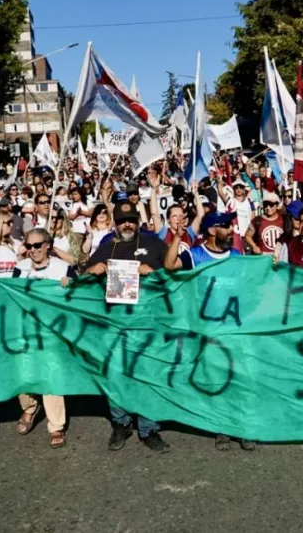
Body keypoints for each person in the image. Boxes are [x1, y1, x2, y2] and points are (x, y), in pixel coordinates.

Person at [164, 211, 255, 452]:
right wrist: (177, 237)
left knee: (240, 379)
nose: (232, 230)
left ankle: (242, 428)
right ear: (213, 230)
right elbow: (169, 265)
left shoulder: (236, 255)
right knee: (217, 379)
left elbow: (249, 283)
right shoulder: (195, 255)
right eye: (226, 226)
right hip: (208, 330)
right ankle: (222, 427)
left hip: (235, 329)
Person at [84, 202, 170, 453]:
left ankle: (148, 428)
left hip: (147, 323)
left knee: (147, 375)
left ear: (138, 221)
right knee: (116, 375)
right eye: (122, 221)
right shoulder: (106, 247)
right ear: (115, 223)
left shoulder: (154, 244)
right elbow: (83, 279)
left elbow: (174, 278)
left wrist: (153, 272)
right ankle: (121, 424)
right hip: (115, 322)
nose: (127, 225)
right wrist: (93, 269)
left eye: (131, 219)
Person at [13, 228, 73, 448]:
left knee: (50, 375)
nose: (33, 250)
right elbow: (8, 295)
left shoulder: (62, 268)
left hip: (52, 332)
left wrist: (70, 286)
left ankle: (56, 426)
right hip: (26, 331)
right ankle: (29, 408)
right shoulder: (19, 270)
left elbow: (78, 298)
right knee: (23, 374)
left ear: (48, 245)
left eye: (37, 245)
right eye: (29, 246)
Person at [245, 190, 285, 255]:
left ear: (277, 205)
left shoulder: (284, 219)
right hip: (263, 258)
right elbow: (247, 236)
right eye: (266, 205)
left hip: (280, 258)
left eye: (271, 205)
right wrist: (254, 246)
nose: (268, 208)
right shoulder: (257, 220)